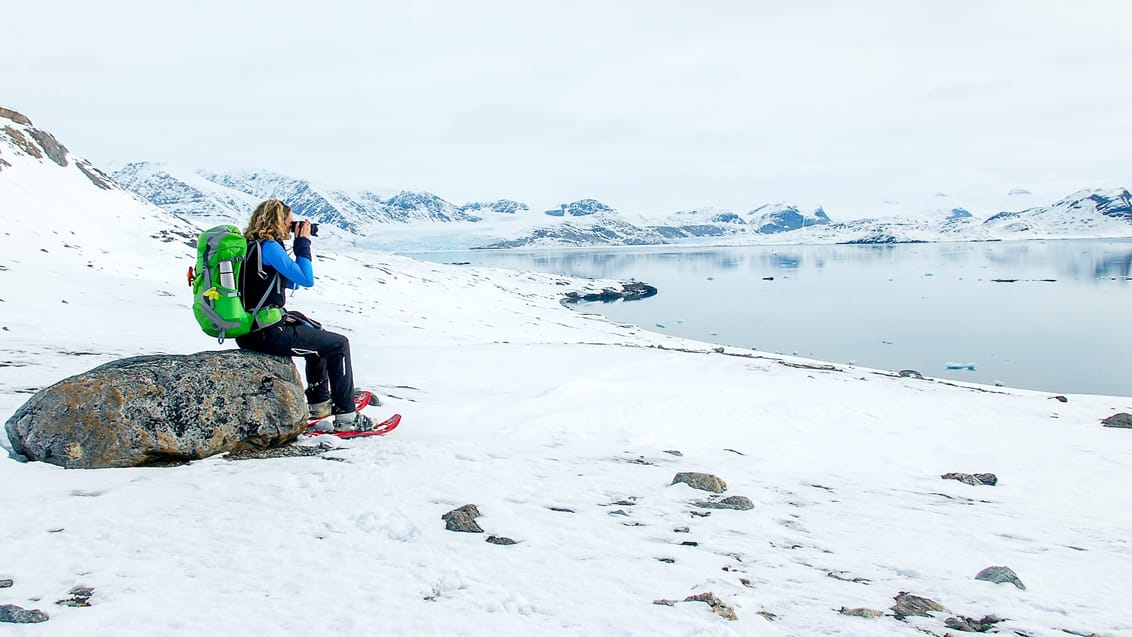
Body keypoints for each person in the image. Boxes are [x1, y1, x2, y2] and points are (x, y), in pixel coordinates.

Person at [235, 199, 373, 432]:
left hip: (252, 329)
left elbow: (287, 282)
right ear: (278, 221)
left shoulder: (250, 247)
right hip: (267, 333)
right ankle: (347, 418)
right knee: (338, 344)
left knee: (315, 332)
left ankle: (319, 402)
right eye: (289, 222)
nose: (291, 227)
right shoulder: (269, 248)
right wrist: (302, 243)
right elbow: (306, 279)